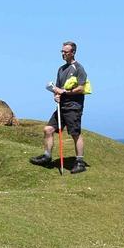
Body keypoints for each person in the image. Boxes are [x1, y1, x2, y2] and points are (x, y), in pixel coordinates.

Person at [31, 40, 90, 173]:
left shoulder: (79, 68)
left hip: (73, 106)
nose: (63, 54)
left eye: (66, 52)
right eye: (62, 51)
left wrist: (65, 92)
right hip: (61, 106)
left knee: (75, 133)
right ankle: (47, 156)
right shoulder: (61, 69)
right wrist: (56, 95)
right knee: (48, 129)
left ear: (73, 52)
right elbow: (58, 88)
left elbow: (82, 88)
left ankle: (80, 162)